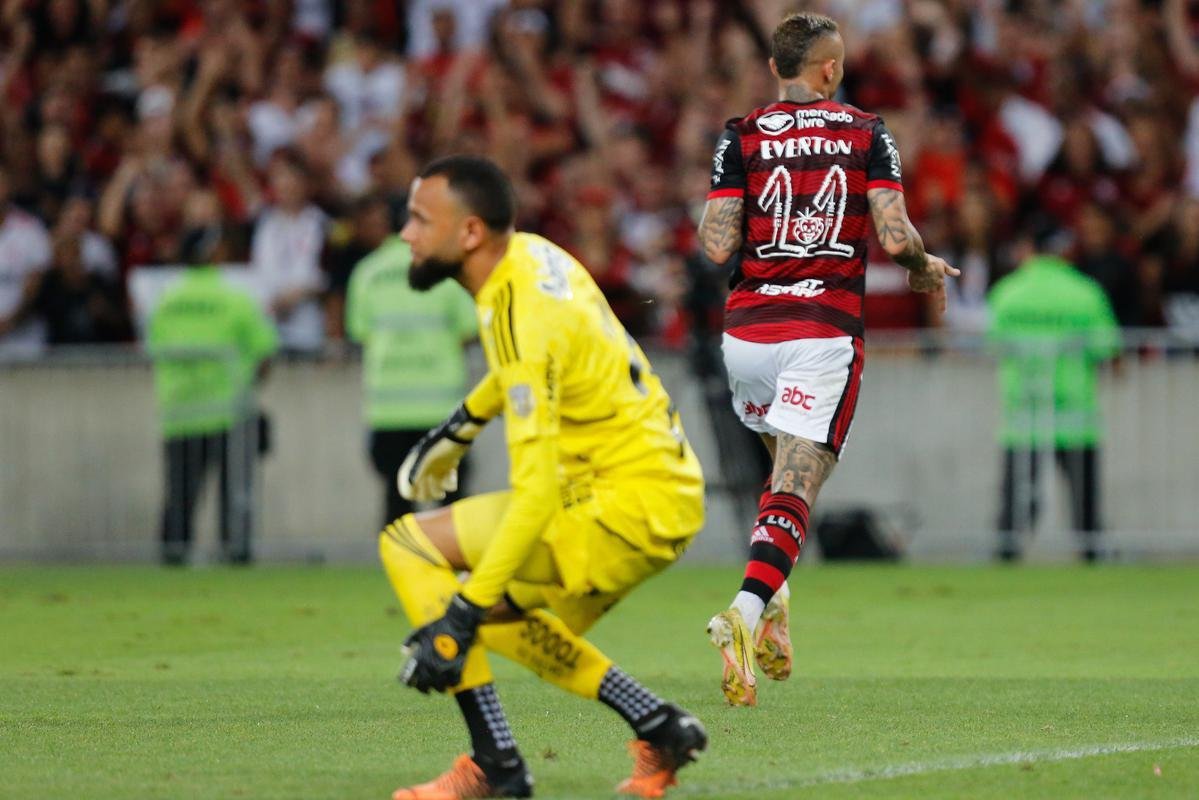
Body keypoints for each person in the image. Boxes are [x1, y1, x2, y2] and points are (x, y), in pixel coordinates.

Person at [381, 155, 707, 800]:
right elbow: (534, 364)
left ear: (470, 233)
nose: (405, 234)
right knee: (504, 618)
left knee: (411, 547)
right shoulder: (533, 256)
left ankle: (497, 766)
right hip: (664, 496)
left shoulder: (518, 309)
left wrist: (457, 619)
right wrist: (460, 429)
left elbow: (533, 493)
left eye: (420, 219)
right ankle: (658, 724)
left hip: (615, 504)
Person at [696, 12, 959, 706]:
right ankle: (744, 613)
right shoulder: (865, 131)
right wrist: (924, 268)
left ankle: (774, 604)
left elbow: (716, 244)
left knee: (781, 479)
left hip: (746, 338)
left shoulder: (739, 134)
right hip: (821, 330)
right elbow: (895, 234)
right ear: (830, 68)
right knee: (796, 486)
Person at [344, 193, 478, 528]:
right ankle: (456, 568)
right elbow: (467, 329)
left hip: (388, 407)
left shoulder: (367, 272)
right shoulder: (445, 269)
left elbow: (360, 332)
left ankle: (400, 568)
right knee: (451, 500)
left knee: (397, 497)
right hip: (441, 406)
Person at [148, 225, 278, 565]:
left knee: (180, 495)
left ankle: (172, 559)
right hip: (228, 412)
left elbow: (153, 350)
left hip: (180, 412)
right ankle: (234, 554)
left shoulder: (165, 300)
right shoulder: (234, 297)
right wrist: (248, 387)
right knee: (233, 494)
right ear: (214, 253)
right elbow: (264, 350)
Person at [987, 233, 1120, 562]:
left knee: (1017, 500)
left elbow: (991, 346)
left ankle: (1006, 557)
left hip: (1025, 410)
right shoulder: (1085, 292)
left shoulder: (1008, 292)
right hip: (1075, 410)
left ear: (1027, 248)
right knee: (1084, 500)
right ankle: (1092, 556)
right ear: (1065, 251)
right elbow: (1108, 349)